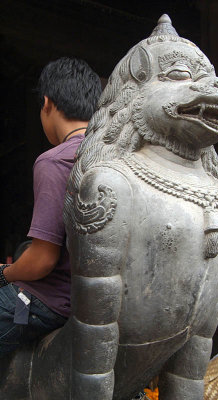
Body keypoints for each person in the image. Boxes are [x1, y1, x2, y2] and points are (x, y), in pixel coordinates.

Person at [0, 57, 102, 357]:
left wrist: (6, 273)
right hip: (98, 302)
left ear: (47, 103)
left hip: (50, 303)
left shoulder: (55, 160)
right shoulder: (110, 156)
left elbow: (43, 260)